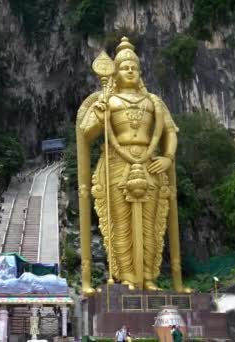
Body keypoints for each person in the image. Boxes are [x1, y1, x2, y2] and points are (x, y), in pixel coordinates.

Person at [76, 37, 185, 292]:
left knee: (151, 223)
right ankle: (125, 276)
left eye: (134, 67)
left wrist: (167, 157)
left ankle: (148, 276)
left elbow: (170, 132)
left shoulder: (154, 102)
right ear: (115, 72)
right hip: (116, 162)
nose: (130, 71)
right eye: (124, 67)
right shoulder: (108, 100)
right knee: (120, 223)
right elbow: (86, 133)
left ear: (140, 72)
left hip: (150, 164)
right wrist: (100, 113)